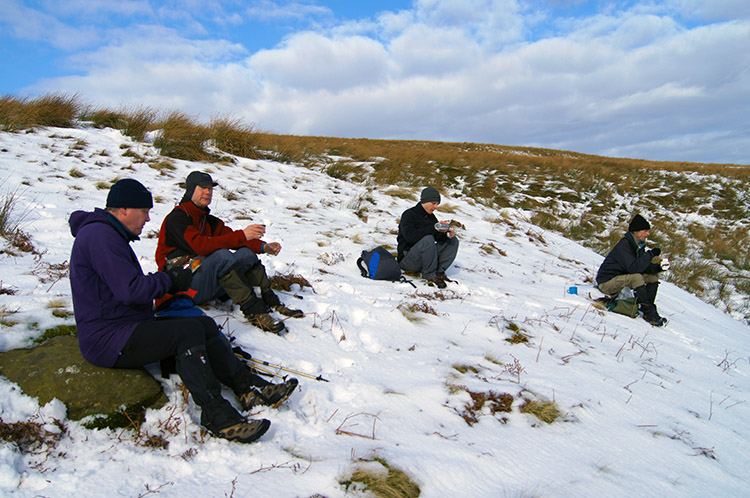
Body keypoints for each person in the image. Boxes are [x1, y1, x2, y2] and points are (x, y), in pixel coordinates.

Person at [68, 178, 298, 444]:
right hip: (108, 339)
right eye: (144, 212)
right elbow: (130, 290)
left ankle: (248, 387)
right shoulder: (100, 236)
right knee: (187, 332)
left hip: (125, 327)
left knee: (203, 325)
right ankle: (217, 415)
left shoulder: (106, 234)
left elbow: (124, 289)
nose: (148, 219)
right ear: (124, 210)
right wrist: (169, 280)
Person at [155, 171, 302, 334]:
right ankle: (255, 311)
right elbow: (200, 246)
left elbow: (232, 237)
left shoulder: (208, 220)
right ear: (190, 190)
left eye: (210, 189)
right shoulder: (178, 218)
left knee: (246, 253)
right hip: (182, 290)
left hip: (204, 282)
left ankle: (271, 300)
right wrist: (242, 235)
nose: (208, 192)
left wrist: (263, 247)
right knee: (222, 256)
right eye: (203, 188)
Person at [596, 214, 668, 326]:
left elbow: (642, 267)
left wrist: (658, 268)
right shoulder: (624, 245)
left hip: (621, 279)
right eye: (645, 231)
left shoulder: (638, 246)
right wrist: (650, 255)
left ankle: (649, 308)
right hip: (607, 283)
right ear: (636, 231)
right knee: (637, 278)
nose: (648, 234)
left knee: (652, 276)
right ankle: (649, 313)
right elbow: (634, 268)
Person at [397, 187, 459, 289]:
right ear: (424, 201)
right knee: (428, 239)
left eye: (437, 204)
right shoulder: (409, 215)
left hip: (425, 258)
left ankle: (439, 272)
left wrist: (446, 235)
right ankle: (429, 275)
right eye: (433, 203)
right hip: (407, 260)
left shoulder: (431, 217)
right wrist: (433, 228)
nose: (435, 207)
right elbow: (410, 238)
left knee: (452, 241)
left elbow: (436, 235)